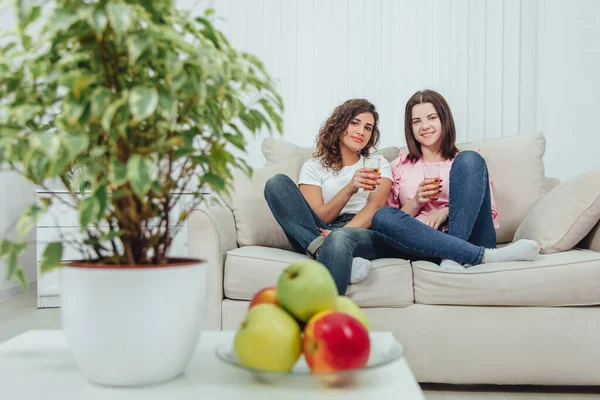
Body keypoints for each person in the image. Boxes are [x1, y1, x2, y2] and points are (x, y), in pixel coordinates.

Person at [371, 90, 539, 269]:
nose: (424, 126)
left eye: (431, 118)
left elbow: (482, 208)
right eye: (416, 121)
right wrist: (416, 202)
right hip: (423, 244)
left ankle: (453, 258)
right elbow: (393, 224)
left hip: (473, 238)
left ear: (444, 120)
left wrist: (445, 212)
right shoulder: (399, 166)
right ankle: (479, 257)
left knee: (470, 158)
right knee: (381, 217)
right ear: (410, 127)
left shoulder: (466, 164)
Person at [264, 99, 393, 294]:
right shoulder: (314, 166)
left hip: (361, 231)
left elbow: (376, 206)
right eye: (355, 123)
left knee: (339, 240)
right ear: (340, 124)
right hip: (319, 230)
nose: (361, 132)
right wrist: (349, 188)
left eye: (368, 128)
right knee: (276, 184)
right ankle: (323, 250)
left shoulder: (377, 162)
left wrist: (341, 234)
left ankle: (323, 253)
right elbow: (319, 218)